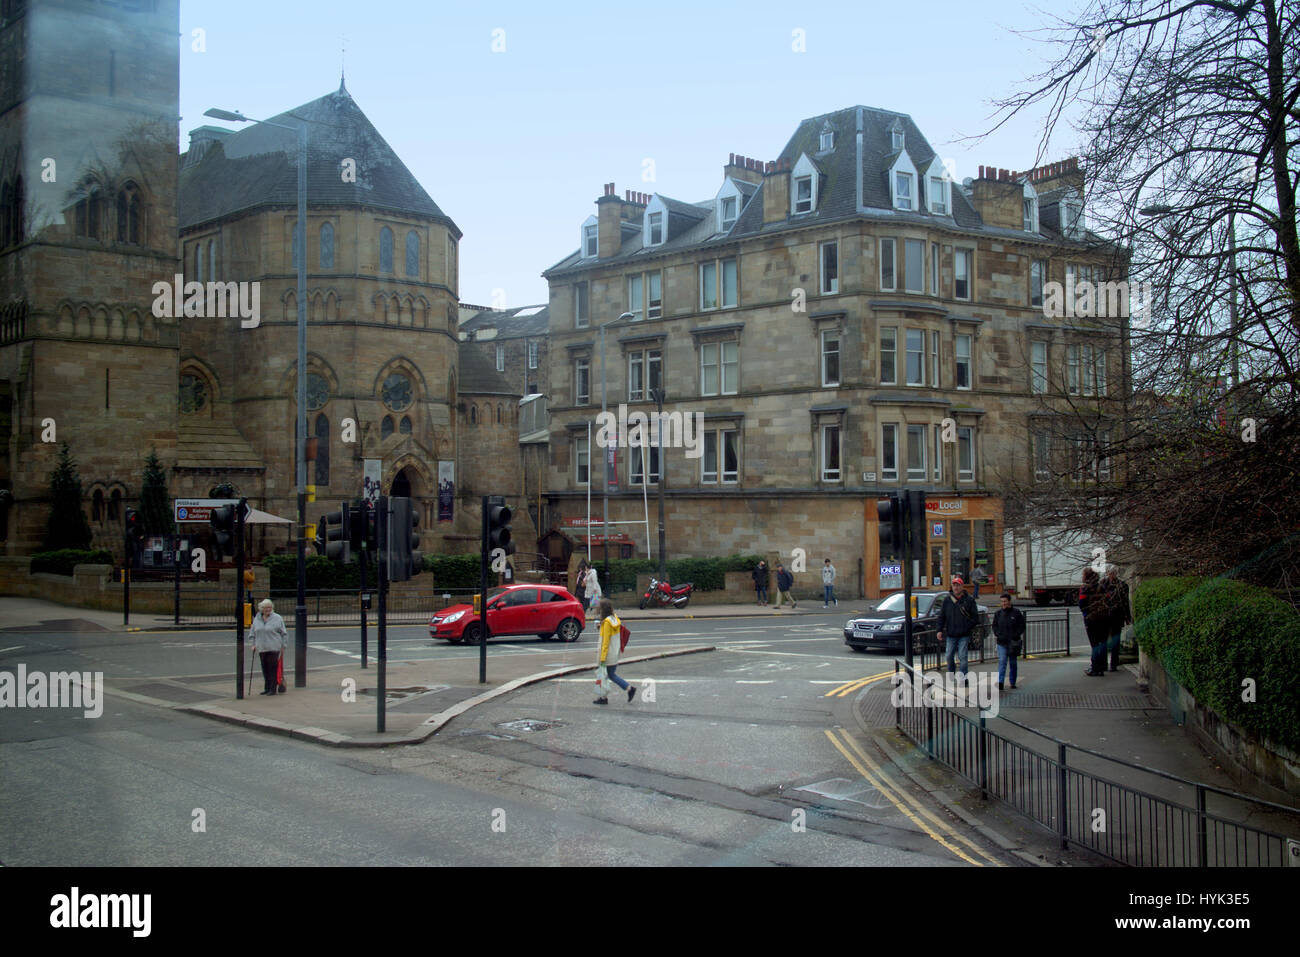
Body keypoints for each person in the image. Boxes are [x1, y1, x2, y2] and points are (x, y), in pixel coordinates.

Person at [936, 576, 979, 681]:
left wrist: (966, 627)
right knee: (949, 657)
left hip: (964, 635)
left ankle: (963, 678)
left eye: (958, 585)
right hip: (951, 634)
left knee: (963, 657)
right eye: (954, 585)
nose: (956, 587)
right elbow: (942, 616)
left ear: (962, 587)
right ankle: (951, 674)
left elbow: (975, 618)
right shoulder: (947, 600)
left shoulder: (969, 600)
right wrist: (939, 630)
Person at [594, 598, 635, 705]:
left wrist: (602, 659)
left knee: (607, 675)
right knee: (608, 675)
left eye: (599, 608)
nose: (598, 610)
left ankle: (629, 689)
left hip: (607, 655)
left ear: (603, 610)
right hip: (614, 653)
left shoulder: (607, 623)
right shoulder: (614, 619)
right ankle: (604, 697)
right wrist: (601, 626)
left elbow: (605, 642)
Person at [246, 598, 287, 696]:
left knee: (272, 669)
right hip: (262, 648)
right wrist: (253, 644)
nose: (268, 609)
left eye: (269, 607)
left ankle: (273, 689)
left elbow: (284, 634)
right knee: (265, 669)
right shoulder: (257, 618)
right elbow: (252, 633)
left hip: (274, 647)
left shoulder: (277, 618)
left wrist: (283, 646)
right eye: (265, 607)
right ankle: (267, 687)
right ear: (261, 608)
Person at [1078, 567, 1111, 676]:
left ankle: (1095, 668)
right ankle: (1101, 667)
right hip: (1104, 618)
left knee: (1094, 644)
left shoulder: (1085, 588)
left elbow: (1082, 604)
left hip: (1091, 620)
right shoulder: (1102, 586)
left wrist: (1086, 615)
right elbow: (1108, 601)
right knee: (1102, 643)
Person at [991, 590, 1026, 691]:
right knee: (1002, 661)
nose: (1003, 603)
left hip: (1013, 642)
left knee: (1013, 663)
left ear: (1009, 601)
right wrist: (998, 634)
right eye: (1002, 601)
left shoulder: (1016, 613)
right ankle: (1001, 682)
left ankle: (1012, 682)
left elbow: (1022, 626)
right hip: (1002, 642)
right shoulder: (998, 613)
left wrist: (1015, 635)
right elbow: (994, 626)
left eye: (1005, 601)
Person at [1105, 566, 1132, 672]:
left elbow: (1125, 603)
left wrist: (1127, 617)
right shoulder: (1105, 585)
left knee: (1114, 641)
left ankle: (1113, 664)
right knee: (1108, 641)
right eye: (1110, 573)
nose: (1112, 575)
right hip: (1110, 617)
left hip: (1115, 617)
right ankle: (1109, 664)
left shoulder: (1121, 585)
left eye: (1113, 573)